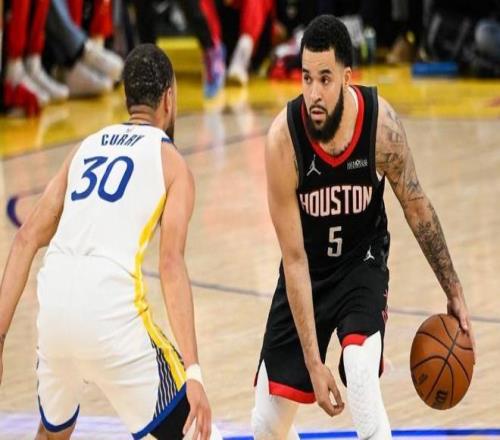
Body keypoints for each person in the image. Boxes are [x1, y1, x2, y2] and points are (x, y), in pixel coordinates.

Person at [251, 15, 476, 439]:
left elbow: (417, 208)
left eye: (325, 79)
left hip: (362, 265)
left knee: (359, 375)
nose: (314, 93)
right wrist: (314, 364)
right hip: (309, 272)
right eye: (306, 78)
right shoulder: (283, 141)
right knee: (265, 424)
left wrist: (454, 290)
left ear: (346, 77)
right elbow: (294, 260)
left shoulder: (380, 126)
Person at [0, 43, 221, 440]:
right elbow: (171, 264)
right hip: (111, 319)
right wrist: (194, 373)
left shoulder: (84, 148)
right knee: (198, 433)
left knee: (51, 433)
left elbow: (25, 239)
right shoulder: (172, 163)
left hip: (54, 315)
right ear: (169, 98)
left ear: (126, 98)